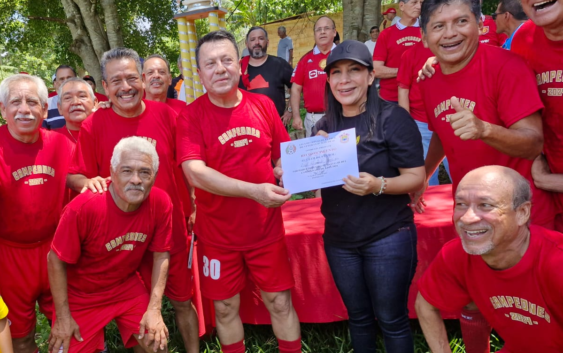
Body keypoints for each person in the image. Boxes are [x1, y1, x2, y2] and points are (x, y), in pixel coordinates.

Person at [414, 0, 556, 351]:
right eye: (438, 26)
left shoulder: (506, 66)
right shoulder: (429, 79)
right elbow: (442, 134)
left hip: (522, 215)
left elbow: (532, 141)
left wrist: (484, 129)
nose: (451, 33)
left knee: (535, 308)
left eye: (461, 21)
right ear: (424, 36)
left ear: (480, 24)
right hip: (471, 212)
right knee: (472, 296)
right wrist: (424, 176)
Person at [67, 47, 199, 353]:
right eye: (116, 81)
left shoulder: (167, 115)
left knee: (183, 302)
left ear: (142, 79)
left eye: (130, 78)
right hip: (124, 240)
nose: (125, 87)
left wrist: (195, 206)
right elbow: (73, 175)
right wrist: (87, 181)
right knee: (138, 317)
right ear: (104, 87)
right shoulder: (93, 126)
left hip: (170, 230)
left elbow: (189, 166)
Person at [177, 30, 301, 353]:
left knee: (280, 303)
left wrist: (286, 171)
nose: (220, 68)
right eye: (210, 64)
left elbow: (283, 157)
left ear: (240, 66)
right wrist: (253, 191)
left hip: (266, 230)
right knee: (225, 309)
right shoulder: (190, 116)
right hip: (218, 236)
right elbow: (195, 173)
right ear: (200, 73)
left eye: (226, 60)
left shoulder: (263, 106)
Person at [299, 39, 425, 353]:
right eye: (337, 73)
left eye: (354, 70)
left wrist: (378, 185)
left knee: (392, 319)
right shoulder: (326, 126)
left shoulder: (393, 119)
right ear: (328, 81)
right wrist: (296, 167)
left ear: (370, 76)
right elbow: (314, 182)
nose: (344, 80)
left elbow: (416, 177)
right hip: (340, 240)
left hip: (388, 235)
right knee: (358, 318)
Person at [415, 166, 563, 353]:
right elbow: (425, 305)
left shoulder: (556, 261)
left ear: (522, 213)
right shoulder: (457, 254)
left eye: (486, 205)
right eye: (460, 204)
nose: (467, 218)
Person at [48, 137, 171, 353]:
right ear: (112, 174)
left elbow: (161, 255)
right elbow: (55, 260)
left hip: (124, 286)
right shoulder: (84, 207)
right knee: (64, 345)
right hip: (81, 294)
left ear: (154, 177)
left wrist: (154, 309)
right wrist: (63, 317)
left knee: (157, 344)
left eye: (144, 172)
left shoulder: (160, 203)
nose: (136, 180)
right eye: (126, 171)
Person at [0, 74, 73, 353]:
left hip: (54, 251)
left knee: (70, 326)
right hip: (9, 256)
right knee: (19, 336)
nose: (24, 109)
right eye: (15, 102)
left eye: (32, 102)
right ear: (2, 109)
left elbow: (80, 180)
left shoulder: (60, 144)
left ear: (45, 109)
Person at [511, 0, 563, 232]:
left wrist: (553, 182)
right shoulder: (524, 38)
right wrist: (443, 63)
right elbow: (490, 72)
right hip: (549, 198)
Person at [397, 42, 451, 186]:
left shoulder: (452, 50)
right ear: (422, 32)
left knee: (460, 172)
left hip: (451, 121)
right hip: (421, 122)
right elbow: (403, 89)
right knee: (425, 174)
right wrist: (406, 123)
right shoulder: (410, 54)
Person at [290, 16, 337, 136]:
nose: (322, 32)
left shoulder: (343, 56)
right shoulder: (305, 60)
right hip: (313, 119)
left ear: (334, 32)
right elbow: (295, 89)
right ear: (314, 34)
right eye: (318, 29)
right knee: (316, 154)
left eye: (326, 28)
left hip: (341, 115)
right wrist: (296, 116)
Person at [239, 26, 294, 123]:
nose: (257, 42)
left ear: (267, 42)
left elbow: (296, 86)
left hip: (276, 125)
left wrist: (290, 110)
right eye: (252, 39)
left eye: (261, 39)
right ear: (247, 44)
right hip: (248, 127)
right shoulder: (238, 68)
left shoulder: (279, 64)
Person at [373, 0, 423, 103]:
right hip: (391, 99)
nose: (419, 6)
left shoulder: (428, 32)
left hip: (421, 100)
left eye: (421, 3)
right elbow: (376, 70)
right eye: (414, 2)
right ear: (401, 6)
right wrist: (406, 71)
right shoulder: (386, 34)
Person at [56, 77, 99, 144]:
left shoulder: (109, 134)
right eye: (68, 98)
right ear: (60, 108)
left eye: (82, 96)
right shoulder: (52, 141)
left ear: (95, 103)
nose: (76, 102)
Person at [44, 65, 77, 129]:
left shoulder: (87, 101)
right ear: (56, 83)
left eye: (69, 78)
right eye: (62, 79)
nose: (65, 81)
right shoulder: (47, 105)